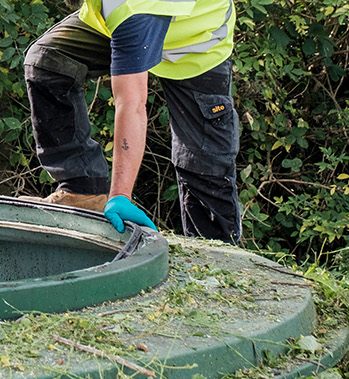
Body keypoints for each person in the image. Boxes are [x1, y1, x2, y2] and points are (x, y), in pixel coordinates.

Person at [19, 0, 241, 244]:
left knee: (202, 159)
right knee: (50, 60)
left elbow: (132, 104)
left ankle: (215, 252)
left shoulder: (133, 8)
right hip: (129, 21)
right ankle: (83, 191)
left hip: (194, 44)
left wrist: (121, 195)